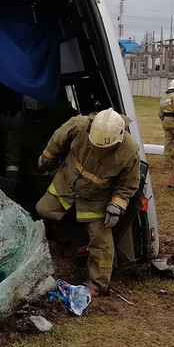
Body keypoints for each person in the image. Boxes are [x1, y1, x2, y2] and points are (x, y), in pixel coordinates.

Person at [35, 108, 141, 296]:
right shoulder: (79, 125)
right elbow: (59, 138)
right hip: (66, 184)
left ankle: (98, 283)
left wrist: (116, 205)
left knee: (101, 240)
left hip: (97, 198)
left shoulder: (130, 151)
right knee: (42, 209)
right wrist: (48, 155)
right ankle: (64, 243)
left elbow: (129, 183)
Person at [5, 96, 75, 216]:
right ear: (26, 109)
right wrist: (13, 175)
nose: (37, 115)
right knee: (45, 202)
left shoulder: (55, 111)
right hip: (36, 172)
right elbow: (13, 149)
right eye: (34, 112)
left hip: (61, 165)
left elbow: (74, 118)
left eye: (40, 112)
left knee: (68, 195)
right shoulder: (18, 123)